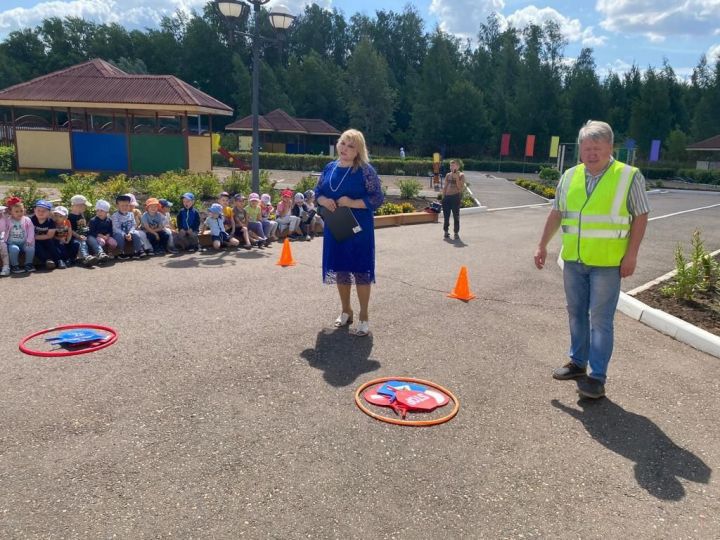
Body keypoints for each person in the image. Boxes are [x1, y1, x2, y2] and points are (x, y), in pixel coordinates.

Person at [534, 120, 650, 399]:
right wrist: (542, 245)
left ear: (610, 147)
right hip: (574, 260)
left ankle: (597, 377)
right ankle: (577, 363)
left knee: (600, 320)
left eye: (597, 148)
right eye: (586, 148)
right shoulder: (570, 176)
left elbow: (640, 216)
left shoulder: (629, 176)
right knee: (575, 313)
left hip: (608, 263)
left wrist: (631, 254)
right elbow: (557, 213)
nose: (591, 154)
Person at [315, 129, 384, 337]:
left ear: (358, 151)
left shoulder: (364, 170)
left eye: (351, 146)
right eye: (343, 143)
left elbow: (377, 198)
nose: (345, 148)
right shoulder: (330, 167)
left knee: (361, 271)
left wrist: (352, 202)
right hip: (336, 227)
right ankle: (346, 310)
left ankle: (364, 316)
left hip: (359, 229)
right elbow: (317, 192)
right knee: (341, 270)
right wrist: (322, 200)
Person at [3, 196, 35, 274]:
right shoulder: (8, 220)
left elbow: (31, 230)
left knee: (30, 249)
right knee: (14, 249)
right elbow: (3, 226)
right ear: (11, 212)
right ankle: (15, 266)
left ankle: (28, 264)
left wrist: (29, 240)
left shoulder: (27, 220)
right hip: (12, 243)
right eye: (16, 211)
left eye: (21, 211)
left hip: (24, 242)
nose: (19, 213)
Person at [112, 194, 146, 259]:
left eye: (127, 205)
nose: (125, 207)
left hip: (129, 233)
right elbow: (116, 228)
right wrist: (125, 234)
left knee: (136, 233)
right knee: (119, 235)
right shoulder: (115, 216)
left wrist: (130, 233)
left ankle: (138, 251)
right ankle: (120, 252)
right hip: (119, 233)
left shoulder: (131, 214)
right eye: (122, 205)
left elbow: (133, 225)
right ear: (117, 206)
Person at [31, 199, 61, 270]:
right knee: (36, 246)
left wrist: (34, 237)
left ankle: (58, 260)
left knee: (52, 244)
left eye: (44, 211)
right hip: (36, 241)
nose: (41, 212)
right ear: (34, 210)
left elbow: (49, 235)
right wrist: (33, 238)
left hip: (47, 239)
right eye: (38, 210)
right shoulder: (32, 220)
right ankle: (47, 261)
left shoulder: (50, 222)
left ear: (49, 212)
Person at [68, 194, 97, 266]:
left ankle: (99, 253)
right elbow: (70, 230)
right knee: (82, 243)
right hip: (76, 237)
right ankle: (86, 257)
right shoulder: (70, 217)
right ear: (78, 206)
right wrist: (78, 236)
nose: (86, 207)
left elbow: (83, 226)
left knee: (93, 240)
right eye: (85, 205)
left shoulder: (81, 214)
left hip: (84, 235)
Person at [442, 159, 465, 240]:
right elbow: (445, 186)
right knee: (446, 216)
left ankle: (456, 233)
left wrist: (456, 178)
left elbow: (460, 188)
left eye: (453, 165)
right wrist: (443, 197)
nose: (451, 167)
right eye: (450, 165)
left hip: (455, 197)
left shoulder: (461, 175)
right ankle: (445, 231)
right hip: (447, 198)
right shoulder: (448, 175)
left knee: (456, 216)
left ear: (458, 166)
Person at [0, 204, 10, 276]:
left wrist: (4, 237)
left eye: (1, 212)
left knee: (3, 246)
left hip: (3, 237)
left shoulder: (5, 218)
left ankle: (6, 267)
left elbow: (8, 228)